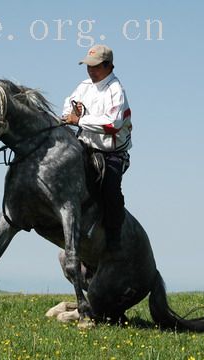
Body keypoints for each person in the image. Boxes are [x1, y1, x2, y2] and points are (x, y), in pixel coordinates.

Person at [62, 44, 132, 251]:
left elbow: (112, 125)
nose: (90, 70)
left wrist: (79, 120)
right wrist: (72, 114)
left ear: (109, 66)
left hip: (112, 153)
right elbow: (69, 104)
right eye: (88, 66)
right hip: (85, 145)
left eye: (95, 66)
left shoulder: (116, 90)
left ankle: (114, 239)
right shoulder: (84, 85)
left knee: (111, 191)